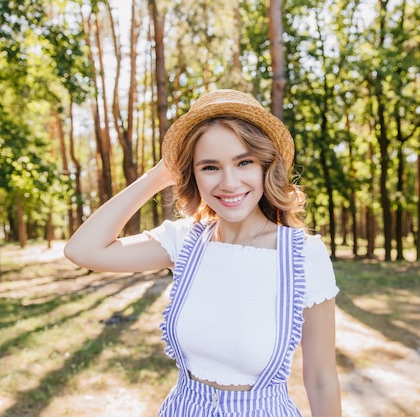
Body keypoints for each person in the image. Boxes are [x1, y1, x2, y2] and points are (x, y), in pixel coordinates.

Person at [64, 89, 341, 417]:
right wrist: (157, 177)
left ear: (266, 166)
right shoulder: (185, 242)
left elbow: (322, 379)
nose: (229, 182)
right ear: (192, 174)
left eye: (244, 162)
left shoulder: (303, 256)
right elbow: (83, 250)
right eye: (210, 167)